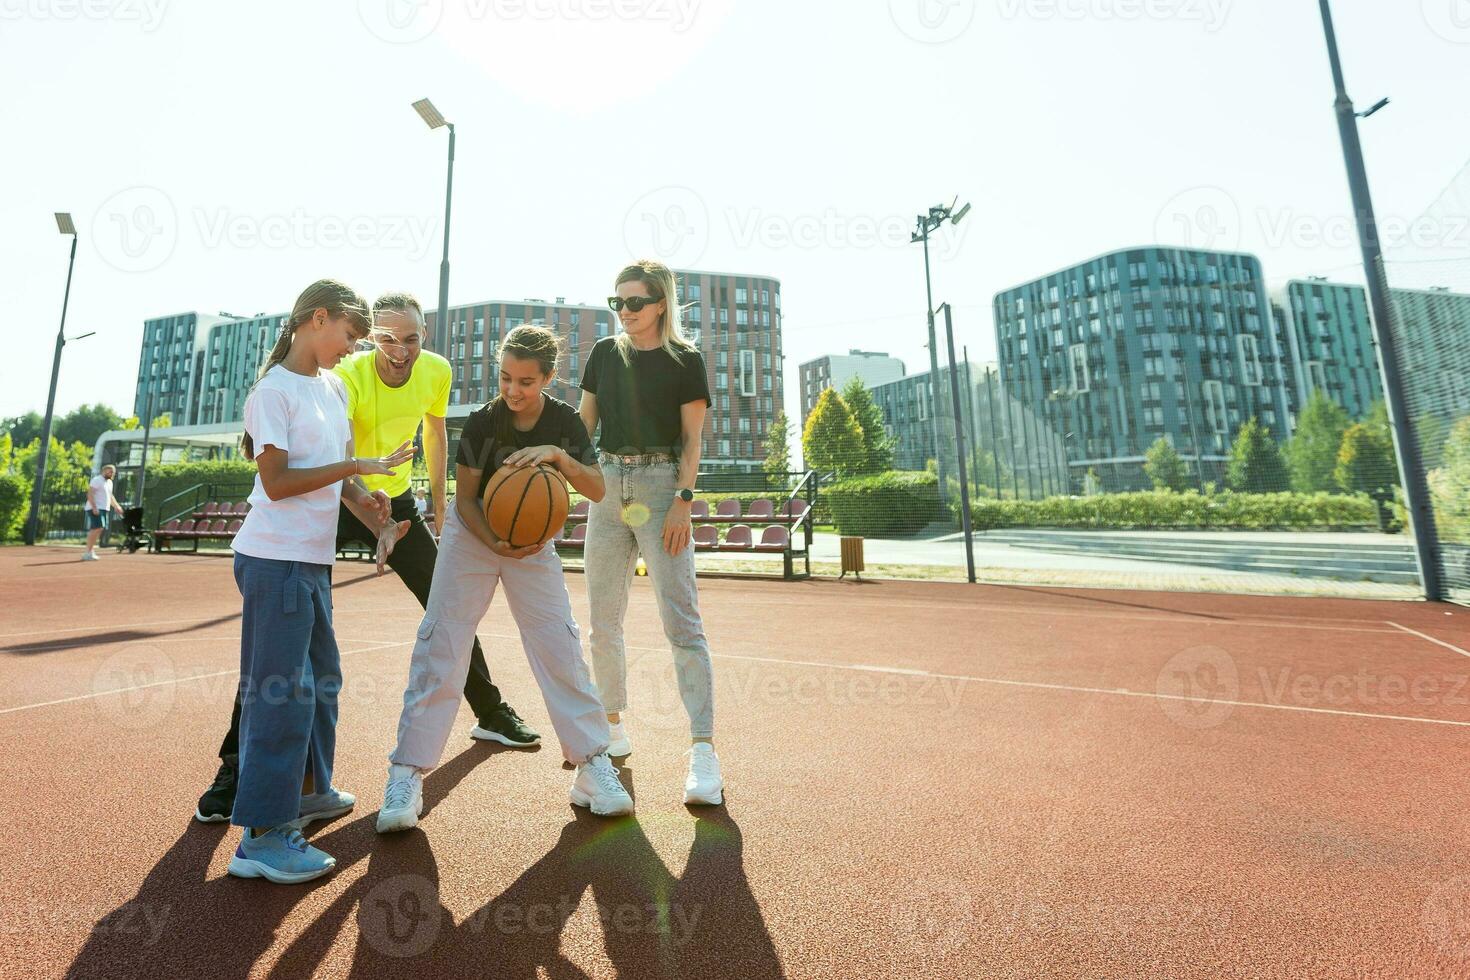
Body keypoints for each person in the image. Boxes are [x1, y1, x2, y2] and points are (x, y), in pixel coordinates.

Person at [195, 293, 539, 824]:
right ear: (368, 337)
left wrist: (440, 505)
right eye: (386, 338)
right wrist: (360, 492)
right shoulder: (344, 371)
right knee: (279, 650)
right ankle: (234, 768)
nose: (399, 350)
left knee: (445, 604)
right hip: (336, 492)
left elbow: (435, 430)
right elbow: (327, 451)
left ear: (425, 338)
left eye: (411, 339)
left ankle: (490, 709)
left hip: (388, 498)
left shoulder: (436, 371)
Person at [376, 325, 632, 832]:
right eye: (505, 378)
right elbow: (466, 499)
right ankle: (406, 772)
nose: (513, 390)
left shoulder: (563, 424)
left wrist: (558, 457)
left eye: (526, 381)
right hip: (474, 538)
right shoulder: (483, 422)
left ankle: (591, 764)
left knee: (559, 644)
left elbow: (599, 490)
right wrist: (494, 543)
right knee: (442, 643)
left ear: (549, 379)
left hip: (533, 540)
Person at [224, 279, 414, 884]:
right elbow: (278, 483)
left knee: (322, 681)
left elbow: (340, 482)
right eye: (351, 336)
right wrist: (356, 467)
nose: (354, 349)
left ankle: (306, 796)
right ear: (317, 318)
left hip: (311, 561)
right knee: (282, 692)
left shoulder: (332, 387)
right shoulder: (271, 393)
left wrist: (373, 512)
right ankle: (262, 835)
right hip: (273, 558)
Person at [578, 259, 723, 805]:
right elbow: (582, 428)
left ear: (661, 303)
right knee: (601, 620)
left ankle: (704, 752)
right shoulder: (603, 355)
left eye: (634, 302)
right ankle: (611, 726)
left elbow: (693, 440)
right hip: (609, 486)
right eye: (617, 303)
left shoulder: (685, 360)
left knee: (681, 621)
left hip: (664, 489)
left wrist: (684, 500)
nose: (624, 312)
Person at [82, 464, 123, 561]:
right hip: (95, 508)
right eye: (109, 471)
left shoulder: (109, 483)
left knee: (99, 528)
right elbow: (90, 493)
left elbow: (110, 496)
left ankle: (90, 551)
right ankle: (88, 552)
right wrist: (94, 507)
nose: (111, 473)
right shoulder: (97, 480)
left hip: (104, 509)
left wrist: (117, 506)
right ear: (103, 471)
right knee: (97, 528)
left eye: (113, 472)